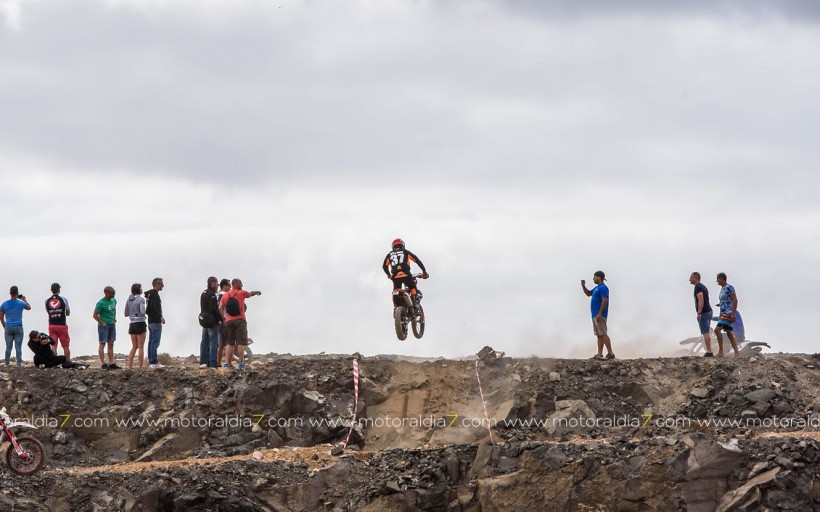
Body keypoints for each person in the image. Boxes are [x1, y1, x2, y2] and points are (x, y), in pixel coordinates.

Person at [218, 278, 261, 371]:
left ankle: (226, 364)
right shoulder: (241, 293)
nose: (242, 285)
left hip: (228, 321)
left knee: (229, 343)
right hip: (240, 320)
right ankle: (241, 364)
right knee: (240, 343)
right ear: (236, 284)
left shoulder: (225, 295)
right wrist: (257, 292)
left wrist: (223, 318)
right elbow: (250, 293)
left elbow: (220, 308)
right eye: (241, 284)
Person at [382, 239, 429, 311]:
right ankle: (415, 305)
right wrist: (424, 271)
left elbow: (384, 266)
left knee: (395, 290)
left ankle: (396, 307)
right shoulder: (406, 252)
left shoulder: (389, 255)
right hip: (406, 274)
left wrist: (389, 275)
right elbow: (417, 261)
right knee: (412, 287)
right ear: (403, 245)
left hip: (395, 276)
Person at [581, 271, 614, 360]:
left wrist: (600, 313)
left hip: (600, 314)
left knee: (603, 333)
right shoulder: (596, 288)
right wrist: (583, 286)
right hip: (595, 314)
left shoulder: (603, 288)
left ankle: (610, 353)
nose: (593, 278)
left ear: (599, 277)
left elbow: (604, 300)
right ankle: (599, 354)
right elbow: (588, 294)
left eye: (595, 277)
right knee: (599, 335)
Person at [0, 286, 32, 367]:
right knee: (18, 346)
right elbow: (29, 308)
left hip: (8, 326)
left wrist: (5, 326)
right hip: (18, 326)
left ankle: (7, 364)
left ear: (10, 293)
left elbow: (1, 317)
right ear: (17, 293)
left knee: (8, 347)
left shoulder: (4, 304)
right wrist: (24, 300)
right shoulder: (21, 303)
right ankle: (18, 364)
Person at [93, 286, 120, 369]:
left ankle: (111, 363)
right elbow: (95, 315)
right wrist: (102, 322)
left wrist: (114, 319)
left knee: (111, 343)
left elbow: (114, 310)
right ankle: (103, 363)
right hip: (103, 326)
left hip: (112, 324)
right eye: (112, 292)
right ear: (107, 293)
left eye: (114, 292)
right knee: (102, 343)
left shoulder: (114, 300)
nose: (114, 294)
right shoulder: (101, 303)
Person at [714, 272, 740, 358]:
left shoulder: (729, 287)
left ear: (722, 279)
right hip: (723, 313)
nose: (717, 281)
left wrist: (733, 313)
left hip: (728, 313)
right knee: (729, 333)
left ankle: (721, 352)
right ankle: (737, 353)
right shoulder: (722, 289)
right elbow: (724, 301)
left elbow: (735, 300)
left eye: (718, 279)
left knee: (717, 330)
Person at [689, 272, 714, 357]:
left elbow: (701, 299)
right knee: (706, 332)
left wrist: (699, 313)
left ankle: (709, 352)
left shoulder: (698, 287)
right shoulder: (703, 286)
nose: (689, 279)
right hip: (709, 311)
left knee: (705, 333)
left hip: (704, 312)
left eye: (691, 278)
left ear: (695, 278)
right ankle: (709, 350)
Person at [45, 283, 72, 361]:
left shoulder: (47, 300)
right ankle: (67, 361)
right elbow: (68, 313)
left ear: (51, 290)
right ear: (59, 290)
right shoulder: (63, 299)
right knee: (65, 345)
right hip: (62, 325)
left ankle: (54, 361)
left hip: (52, 325)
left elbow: (48, 311)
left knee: (53, 345)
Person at [199, 276, 221, 368]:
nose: (217, 285)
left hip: (204, 320)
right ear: (212, 283)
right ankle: (212, 362)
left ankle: (203, 362)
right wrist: (220, 319)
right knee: (213, 341)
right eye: (216, 283)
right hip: (211, 320)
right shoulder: (211, 294)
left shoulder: (203, 293)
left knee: (204, 341)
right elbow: (213, 309)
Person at [124, 283, 147, 369]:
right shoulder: (141, 299)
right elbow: (143, 311)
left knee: (134, 346)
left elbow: (125, 313)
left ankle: (130, 365)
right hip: (140, 322)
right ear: (139, 290)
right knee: (141, 346)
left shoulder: (128, 300)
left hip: (132, 323)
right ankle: (141, 366)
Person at [145, 277, 165, 369]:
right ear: (156, 284)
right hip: (155, 321)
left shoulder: (149, 295)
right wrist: (160, 317)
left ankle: (151, 360)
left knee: (151, 341)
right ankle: (153, 361)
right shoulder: (154, 295)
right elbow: (154, 307)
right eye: (161, 284)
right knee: (155, 342)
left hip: (150, 321)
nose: (163, 286)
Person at [216, 278, 230, 366]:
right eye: (229, 285)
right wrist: (224, 319)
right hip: (226, 320)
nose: (230, 287)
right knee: (229, 343)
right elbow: (221, 308)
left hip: (219, 322)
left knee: (221, 344)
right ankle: (227, 363)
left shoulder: (217, 294)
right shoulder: (225, 295)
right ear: (224, 286)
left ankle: (218, 362)